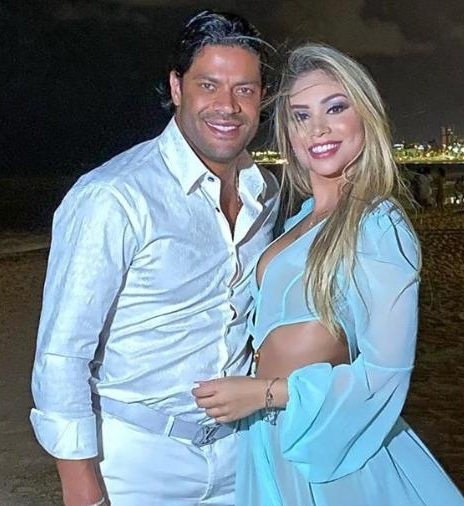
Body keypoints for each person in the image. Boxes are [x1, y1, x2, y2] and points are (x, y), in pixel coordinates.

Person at [191, 43, 464, 506]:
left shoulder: (378, 225)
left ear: (366, 117)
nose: (317, 128)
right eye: (300, 116)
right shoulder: (300, 219)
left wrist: (265, 394)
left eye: (335, 108)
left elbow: (385, 374)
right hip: (270, 439)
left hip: (329, 453)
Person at [29, 11, 280, 506]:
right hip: (135, 461)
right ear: (177, 87)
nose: (227, 106)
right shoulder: (114, 196)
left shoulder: (263, 193)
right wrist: (80, 483)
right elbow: (62, 352)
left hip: (241, 453)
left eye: (244, 90)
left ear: (262, 98)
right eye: (208, 85)